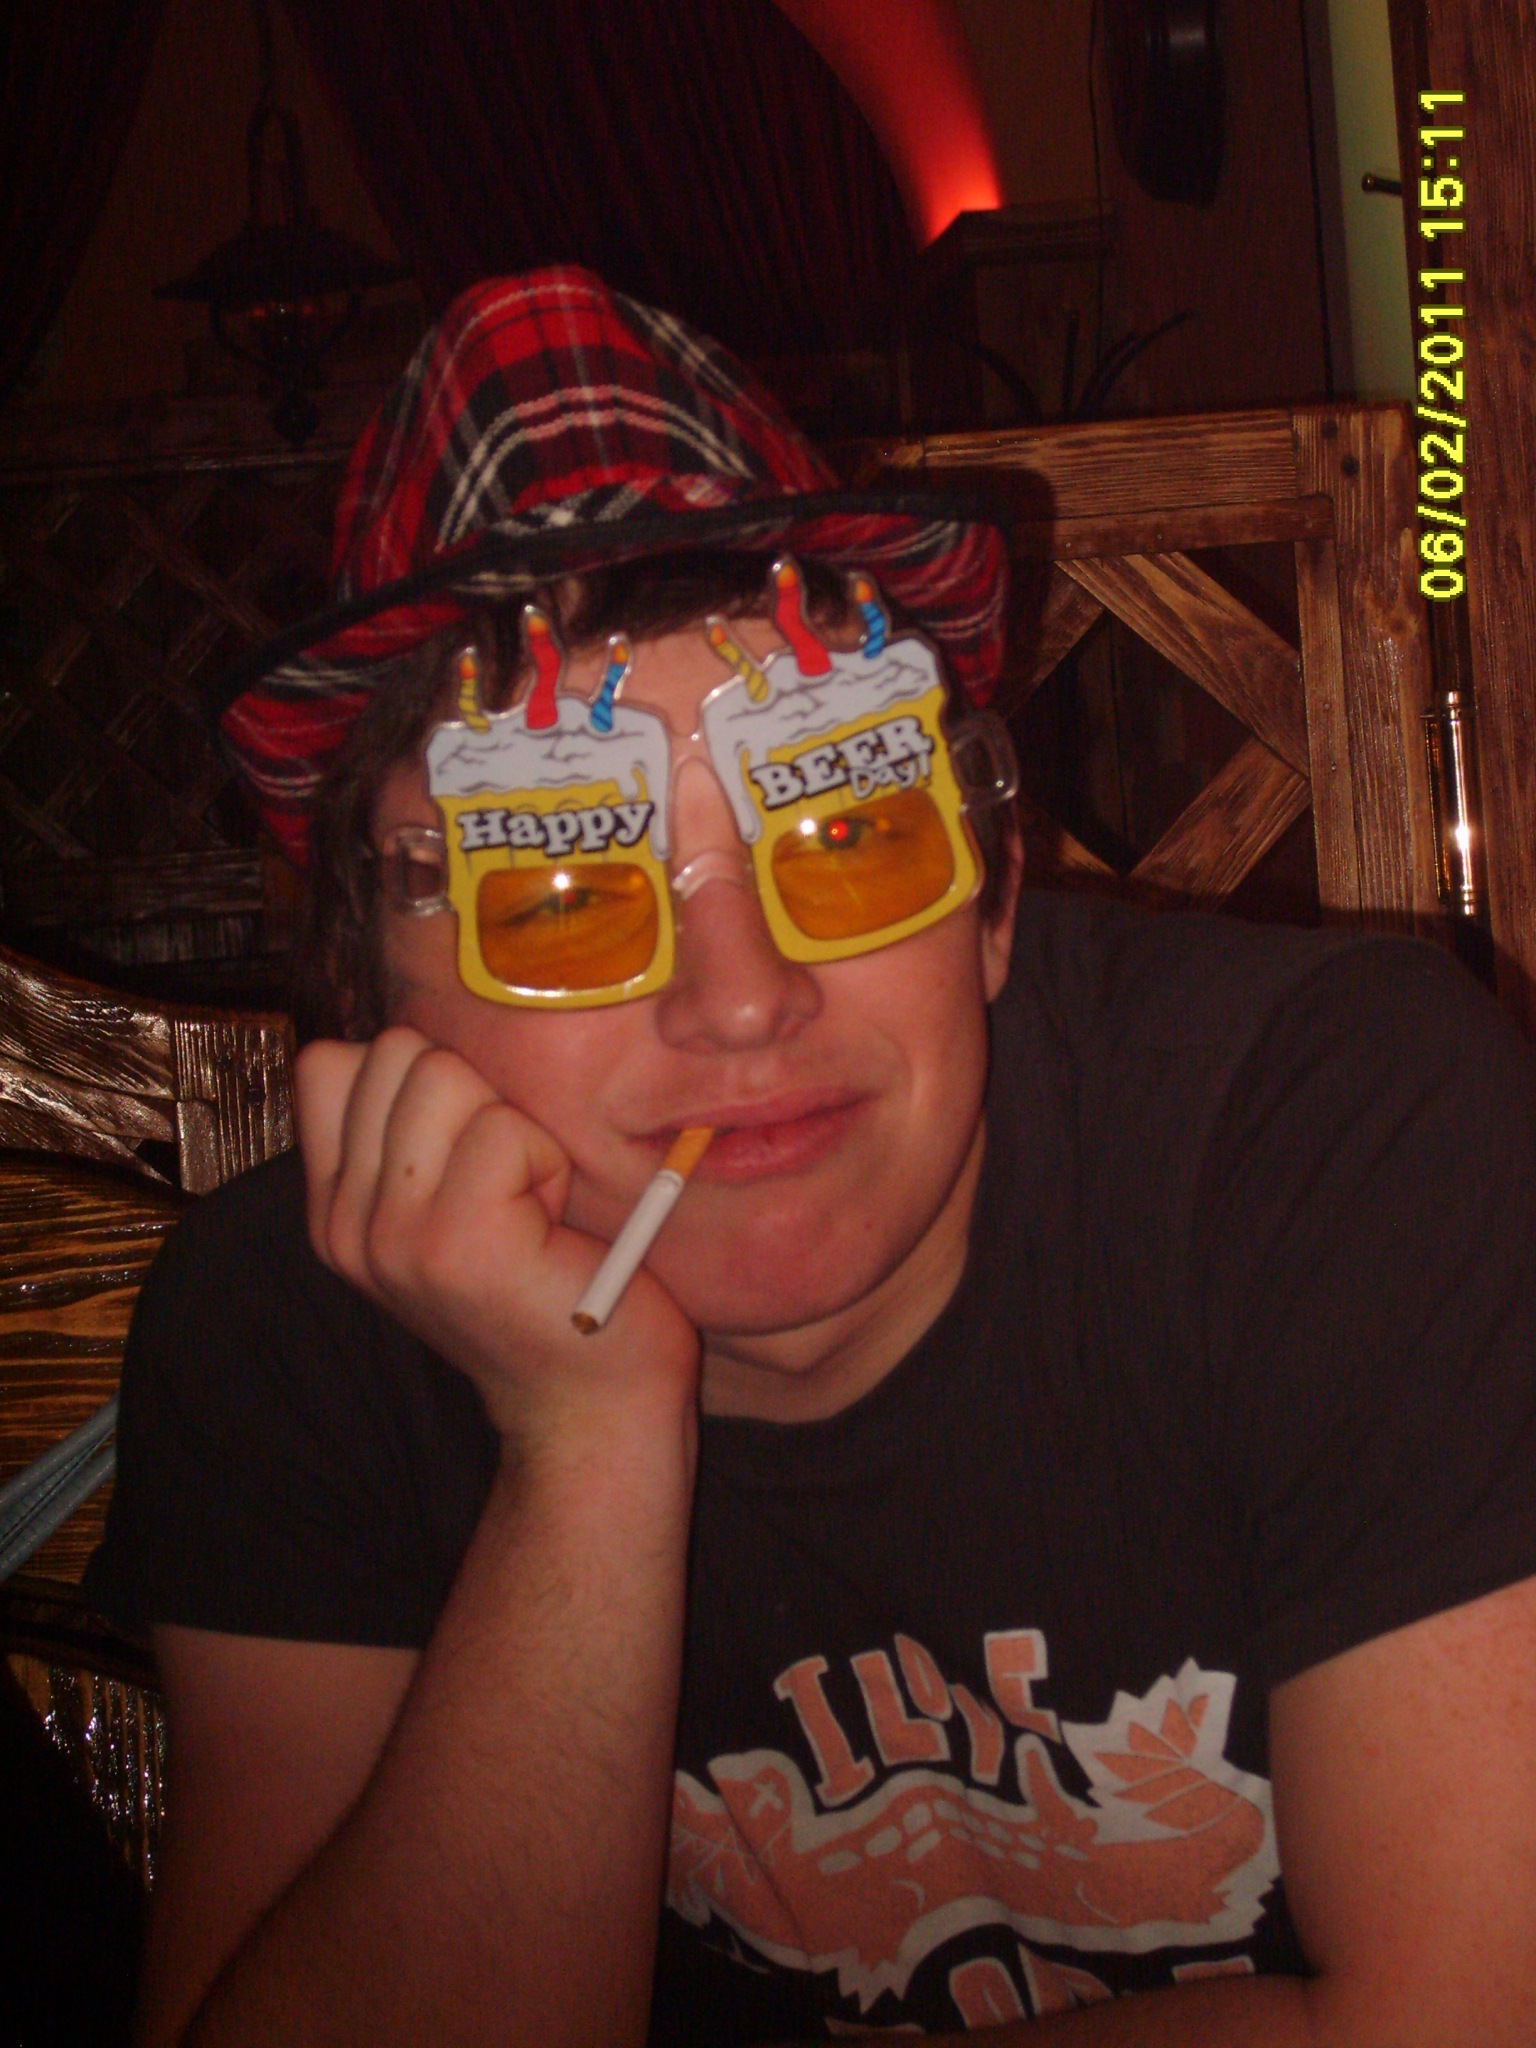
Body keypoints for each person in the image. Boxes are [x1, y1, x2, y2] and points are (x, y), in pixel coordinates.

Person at [87, 267, 1536, 2048]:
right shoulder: (288, 1336)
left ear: (993, 893)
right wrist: (584, 1450)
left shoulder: (1340, 1142)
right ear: (370, 995)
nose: (745, 997)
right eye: (563, 887)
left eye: (844, 829)